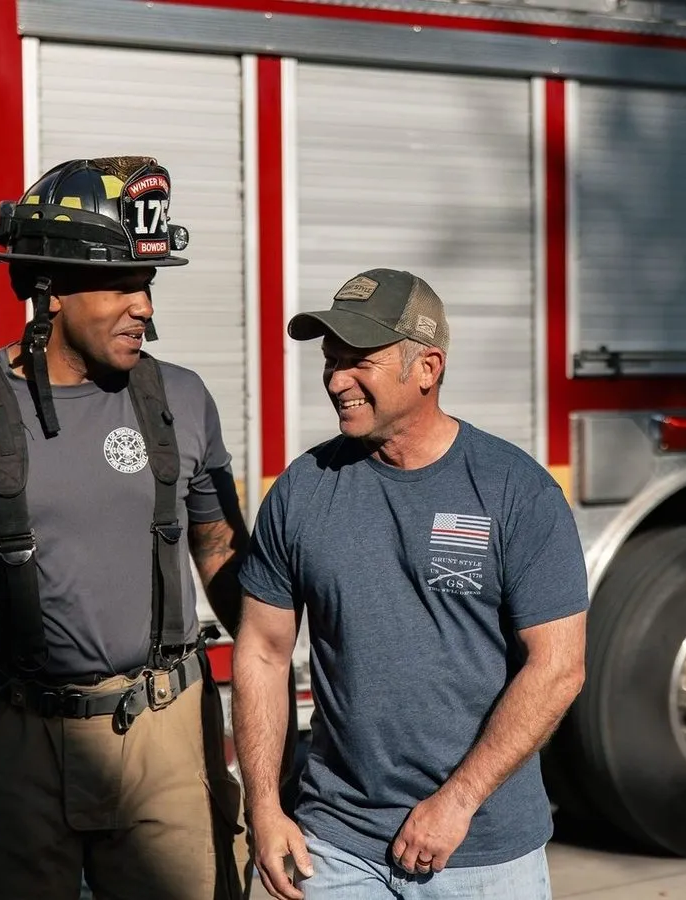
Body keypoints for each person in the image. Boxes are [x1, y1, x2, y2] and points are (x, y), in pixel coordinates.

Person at [0, 156, 250, 900]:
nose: (144, 308)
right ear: (49, 289)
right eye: (122, 285)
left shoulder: (183, 401)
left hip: (167, 736)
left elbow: (221, 553)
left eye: (148, 285)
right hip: (6, 741)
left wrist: (268, 717)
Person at [233, 268, 588, 900]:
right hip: (336, 847)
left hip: (481, 854)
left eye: (358, 362)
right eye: (331, 361)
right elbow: (263, 650)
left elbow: (558, 667)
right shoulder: (304, 489)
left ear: (426, 368)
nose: (336, 380)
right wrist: (264, 807)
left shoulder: (515, 490)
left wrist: (457, 803)